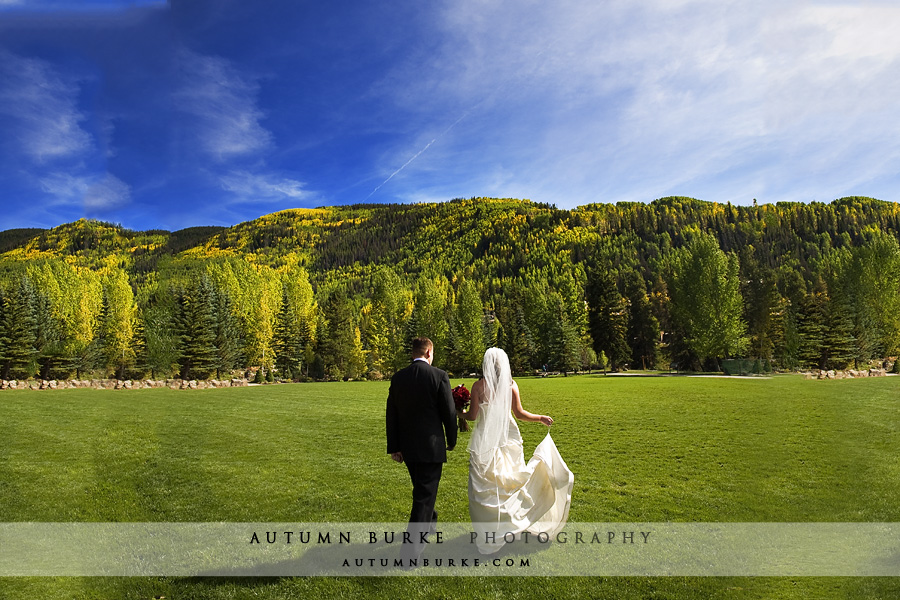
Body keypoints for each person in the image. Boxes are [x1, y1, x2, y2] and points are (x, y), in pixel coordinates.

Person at [462, 347, 574, 554]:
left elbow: (472, 416)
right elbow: (520, 413)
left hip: (486, 437)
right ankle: (512, 522)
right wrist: (539, 417)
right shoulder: (510, 385)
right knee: (512, 480)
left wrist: (456, 412)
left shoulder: (478, 386)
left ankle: (494, 529)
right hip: (508, 436)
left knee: (485, 485)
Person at [386, 337, 457, 562]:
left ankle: (431, 523)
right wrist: (452, 440)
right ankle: (409, 554)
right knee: (423, 498)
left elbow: (391, 415)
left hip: (408, 449)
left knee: (422, 491)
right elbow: (449, 413)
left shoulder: (398, 378)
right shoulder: (439, 376)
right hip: (431, 447)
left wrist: (394, 447)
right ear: (428, 353)